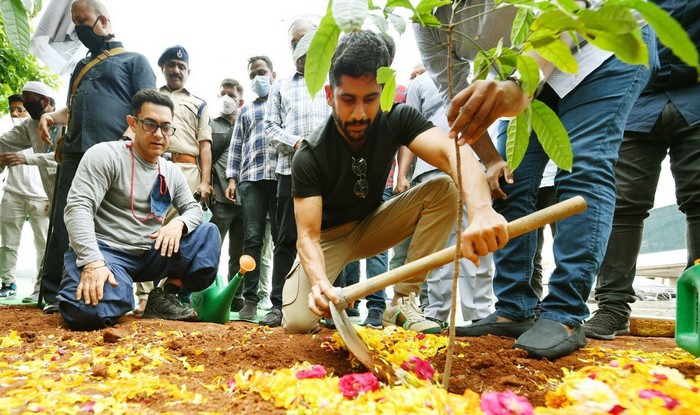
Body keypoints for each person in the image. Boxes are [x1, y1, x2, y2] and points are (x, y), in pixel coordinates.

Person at [415, 1, 655, 359]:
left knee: (582, 167)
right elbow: (458, 99)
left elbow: (569, 7)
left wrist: (519, 84)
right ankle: (514, 308)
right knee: (510, 183)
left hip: (600, 48)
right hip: (525, 78)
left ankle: (565, 314)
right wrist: (493, 160)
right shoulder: (429, 18)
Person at [282, 30, 507, 335]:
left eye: (370, 99)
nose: (359, 113)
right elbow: (307, 237)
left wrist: (481, 211)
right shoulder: (310, 155)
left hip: (373, 225)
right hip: (328, 239)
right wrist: (320, 282)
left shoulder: (397, 117)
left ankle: (401, 304)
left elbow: (453, 153)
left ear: (384, 92)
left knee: (444, 189)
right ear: (329, 95)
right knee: (297, 322)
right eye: (347, 100)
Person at [56, 89, 221, 331]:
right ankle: (116, 292)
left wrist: (178, 224)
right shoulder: (105, 155)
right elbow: (78, 208)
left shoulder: (171, 170)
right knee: (85, 314)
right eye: (150, 124)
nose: (159, 134)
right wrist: (92, 263)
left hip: (149, 253)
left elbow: (194, 210)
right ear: (133, 124)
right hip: (106, 253)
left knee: (207, 233)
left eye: (166, 127)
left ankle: (164, 297)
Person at [584, 0, 700, 340]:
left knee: (699, 199)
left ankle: (697, 306)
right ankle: (612, 308)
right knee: (622, 203)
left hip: (695, 93)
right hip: (636, 102)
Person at [38, 0, 156, 314]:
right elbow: (74, 108)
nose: (77, 29)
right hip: (75, 154)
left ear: (102, 20)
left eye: (82, 21)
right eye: (74, 22)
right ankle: (54, 294)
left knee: (105, 225)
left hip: (111, 157)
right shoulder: (80, 66)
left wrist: (127, 143)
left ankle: (108, 293)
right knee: (66, 219)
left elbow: (148, 110)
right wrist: (51, 117)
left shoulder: (134, 60)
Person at [403, 71, 495, 328]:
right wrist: (402, 172)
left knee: (478, 233)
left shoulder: (482, 69)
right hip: (432, 167)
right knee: (439, 242)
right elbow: (409, 132)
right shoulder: (418, 83)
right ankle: (436, 311)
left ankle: (480, 311)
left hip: (475, 163)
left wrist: (492, 161)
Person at [262, 19, 331, 327]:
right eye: (294, 42)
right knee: (286, 239)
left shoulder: (333, 79)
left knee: (327, 237)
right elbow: (270, 129)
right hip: (289, 172)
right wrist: (300, 143)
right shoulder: (281, 85)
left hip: (329, 175)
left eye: (306, 39)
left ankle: (329, 306)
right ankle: (278, 304)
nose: (300, 46)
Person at [226, 56, 279, 321]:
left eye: (262, 72)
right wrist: (232, 179)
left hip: (280, 177)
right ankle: (250, 300)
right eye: (253, 74)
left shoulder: (282, 102)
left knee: (282, 239)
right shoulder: (246, 110)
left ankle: (279, 301)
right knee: (253, 239)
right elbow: (236, 146)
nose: (258, 78)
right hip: (251, 179)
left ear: (272, 73)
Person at [0, 84, 59, 302]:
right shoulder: (28, 126)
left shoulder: (64, 122)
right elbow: (4, 142)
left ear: (45, 101)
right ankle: (40, 291)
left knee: (51, 244)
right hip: (43, 194)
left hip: (65, 193)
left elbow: (62, 156)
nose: (25, 106)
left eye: (30, 101)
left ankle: (49, 290)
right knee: (48, 243)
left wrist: (27, 158)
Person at [209, 78, 245, 307]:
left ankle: (236, 297)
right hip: (220, 198)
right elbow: (206, 158)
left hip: (246, 198)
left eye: (231, 95)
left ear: (240, 100)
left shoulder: (247, 122)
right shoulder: (212, 124)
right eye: (222, 93)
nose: (226, 98)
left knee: (239, 252)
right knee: (213, 248)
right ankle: (207, 291)